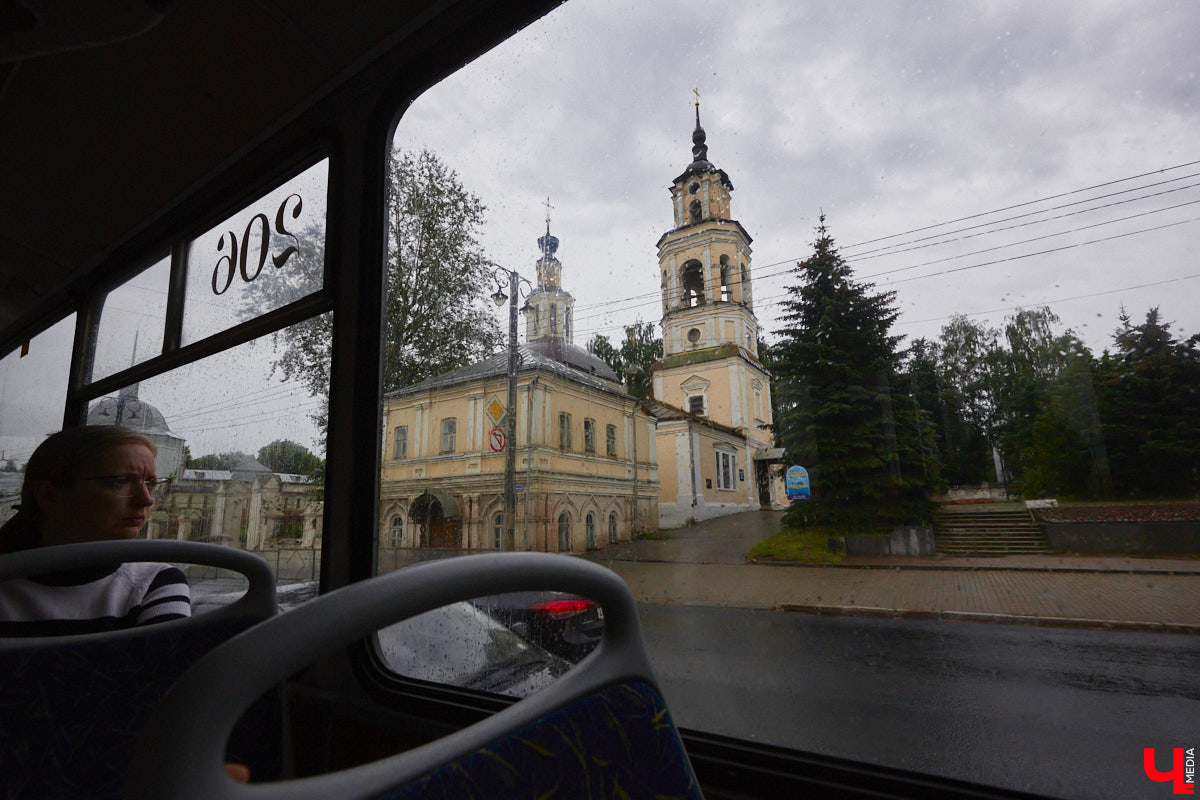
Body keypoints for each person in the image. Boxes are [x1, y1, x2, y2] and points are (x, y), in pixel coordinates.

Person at [0, 425, 191, 636]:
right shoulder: (144, 588)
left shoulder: (154, 584)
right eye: (121, 482)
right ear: (49, 495)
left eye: (151, 484)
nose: (147, 499)